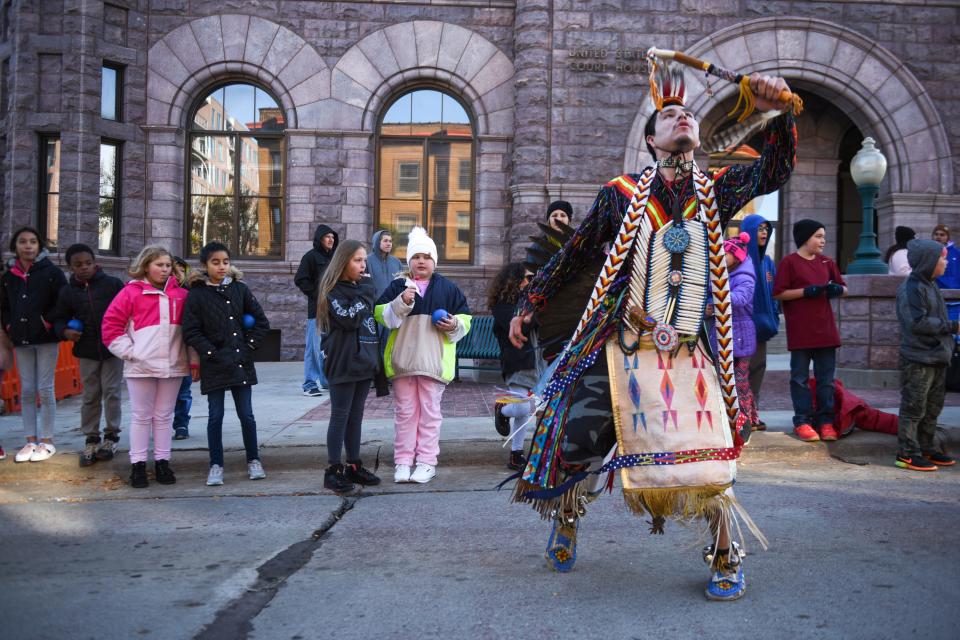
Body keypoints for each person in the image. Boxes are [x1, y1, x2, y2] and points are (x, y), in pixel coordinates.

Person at [508, 61, 797, 600]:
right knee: (580, 440)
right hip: (623, 342)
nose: (682, 116)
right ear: (651, 139)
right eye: (669, 114)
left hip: (690, 348)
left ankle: (726, 553)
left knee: (710, 453)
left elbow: (772, 172)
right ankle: (568, 513)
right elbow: (575, 254)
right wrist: (531, 301)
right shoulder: (619, 193)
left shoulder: (714, 189)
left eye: (688, 112)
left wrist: (773, 112)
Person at [375, 226, 471, 485]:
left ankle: (427, 462)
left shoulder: (448, 288)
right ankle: (403, 461)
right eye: (416, 256)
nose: (421, 261)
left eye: (426, 257)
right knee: (405, 413)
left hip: (433, 363)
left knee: (430, 414)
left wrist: (454, 325)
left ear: (434, 261)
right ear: (409, 261)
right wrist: (401, 302)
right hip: (403, 363)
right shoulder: (398, 286)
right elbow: (380, 314)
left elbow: (465, 319)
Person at [102, 246, 192, 488]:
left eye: (167, 265)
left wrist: (191, 359)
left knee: (163, 416)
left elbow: (191, 329)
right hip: (141, 366)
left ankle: (163, 461)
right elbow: (111, 326)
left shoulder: (181, 295)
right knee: (141, 416)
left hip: (173, 365)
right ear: (145, 266)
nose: (164, 270)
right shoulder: (131, 293)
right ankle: (138, 465)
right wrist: (131, 353)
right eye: (159, 265)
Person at [182, 242, 270, 486]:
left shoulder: (240, 290)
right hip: (215, 364)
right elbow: (191, 330)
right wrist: (211, 352)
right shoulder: (197, 294)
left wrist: (249, 346)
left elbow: (262, 322)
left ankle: (254, 460)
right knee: (215, 416)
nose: (221, 267)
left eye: (225, 262)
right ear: (204, 265)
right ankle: (216, 464)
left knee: (247, 415)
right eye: (215, 262)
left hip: (240, 362)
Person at [49, 243, 124, 467]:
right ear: (70, 267)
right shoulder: (68, 292)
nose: (84, 268)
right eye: (78, 265)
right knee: (91, 394)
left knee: (112, 392)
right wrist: (64, 331)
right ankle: (91, 437)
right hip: (86, 350)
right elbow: (58, 317)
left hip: (113, 349)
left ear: (95, 263)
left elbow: (127, 310)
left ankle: (111, 436)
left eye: (88, 263)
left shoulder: (112, 284)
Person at [316, 240, 382, 494]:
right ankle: (333, 470)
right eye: (357, 260)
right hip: (341, 361)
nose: (363, 265)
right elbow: (348, 319)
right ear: (343, 262)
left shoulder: (360, 288)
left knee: (356, 416)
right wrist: (365, 291)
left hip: (363, 360)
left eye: (364, 260)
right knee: (340, 415)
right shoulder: (332, 290)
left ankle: (354, 464)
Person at [773, 219, 847, 443]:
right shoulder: (789, 262)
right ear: (805, 238)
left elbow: (843, 287)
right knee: (799, 379)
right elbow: (778, 293)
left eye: (824, 236)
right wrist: (807, 292)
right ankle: (803, 421)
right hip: (801, 332)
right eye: (818, 236)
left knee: (826, 380)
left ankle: (825, 422)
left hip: (825, 331)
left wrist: (837, 289)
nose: (823, 241)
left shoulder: (827, 262)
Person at [1, 227, 67, 462]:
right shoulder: (9, 276)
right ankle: (30, 441)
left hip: (46, 339)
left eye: (32, 242)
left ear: (39, 246)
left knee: (46, 389)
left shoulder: (52, 272)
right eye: (22, 242)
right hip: (20, 339)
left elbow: (63, 302)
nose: (28, 246)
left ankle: (47, 441)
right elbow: (5, 306)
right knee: (27, 390)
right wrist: (9, 327)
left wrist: (48, 322)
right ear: (15, 246)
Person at [894, 240, 959, 471]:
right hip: (919, 358)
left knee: (932, 408)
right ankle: (907, 454)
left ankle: (926, 448)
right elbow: (917, 322)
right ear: (929, 262)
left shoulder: (930, 285)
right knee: (914, 408)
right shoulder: (912, 287)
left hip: (936, 357)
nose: (945, 262)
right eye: (941, 258)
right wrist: (952, 327)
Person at [489, 263, 541, 470]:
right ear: (513, 280)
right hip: (518, 362)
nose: (529, 283)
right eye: (526, 278)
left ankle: (516, 453)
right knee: (521, 407)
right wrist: (535, 310)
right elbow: (525, 325)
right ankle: (502, 410)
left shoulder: (531, 303)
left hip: (539, 363)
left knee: (528, 411)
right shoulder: (502, 306)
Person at [740, 215, 780, 430]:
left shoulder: (767, 262)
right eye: (759, 229)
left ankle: (752, 414)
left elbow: (774, 293)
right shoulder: (739, 259)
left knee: (758, 369)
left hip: (761, 329)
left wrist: (772, 316)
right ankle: (740, 416)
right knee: (741, 372)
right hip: (741, 328)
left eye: (766, 229)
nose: (764, 233)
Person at [724, 232, 760, 440]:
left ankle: (744, 422)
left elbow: (740, 298)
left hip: (740, 336)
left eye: (725, 253)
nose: (720, 256)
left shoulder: (745, 276)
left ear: (736, 256)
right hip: (730, 335)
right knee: (732, 381)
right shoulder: (728, 273)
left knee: (740, 381)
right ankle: (746, 419)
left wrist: (716, 298)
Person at [295, 225, 339, 397]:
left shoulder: (335, 258)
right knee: (314, 348)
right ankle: (309, 383)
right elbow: (300, 279)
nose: (330, 240)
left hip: (334, 309)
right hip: (317, 311)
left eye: (333, 237)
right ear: (319, 238)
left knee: (329, 347)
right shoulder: (310, 257)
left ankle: (326, 380)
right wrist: (317, 295)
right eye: (327, 236)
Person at [172, 256, 193, 440]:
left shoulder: (190, 293)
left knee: (183, 390)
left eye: (180, 271)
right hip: (163, 349)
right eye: (173, 271)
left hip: (184, 348)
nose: (177, 275)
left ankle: (181, 424)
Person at [932, 224, 960, 289]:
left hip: (955, 292)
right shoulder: (927, 252)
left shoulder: (957, 253)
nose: (938, 237)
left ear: (948, 237)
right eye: (936, 234)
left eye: (942, 235)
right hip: (935, 292)